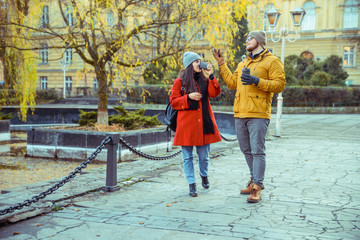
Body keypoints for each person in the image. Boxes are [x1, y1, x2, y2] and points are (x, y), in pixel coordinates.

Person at [212, 30, 286, 203]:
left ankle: (257, 187)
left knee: (257, 150)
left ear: (259, 41)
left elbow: (280, 85)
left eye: (250, 38)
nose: (246, 41)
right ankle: (254, 180)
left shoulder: (272, 61)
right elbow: (232, 83)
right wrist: (222, 64)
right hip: (240, 112)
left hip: (259, 114)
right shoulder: (243, 63)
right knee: (246, 149)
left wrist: (256, 81)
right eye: (246, 38)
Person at [170, 52, 222, 197]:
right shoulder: (179, 82)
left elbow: (214, 93)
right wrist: (188, 97)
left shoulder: (204, 80)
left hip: (204, 124)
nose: (199, 63)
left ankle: (204, 175)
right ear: (189, 65)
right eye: (196, 61)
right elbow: (173, 101)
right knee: (187, 157)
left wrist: (211, 75)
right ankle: (191, 184)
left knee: (204, 156)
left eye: (200, 60)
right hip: (187, 126)